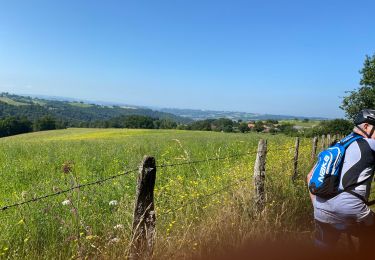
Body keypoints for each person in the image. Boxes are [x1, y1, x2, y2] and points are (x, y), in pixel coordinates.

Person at [307, 109, 375, 254]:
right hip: (350, 209)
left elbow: (309, 176)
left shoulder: (338, 145)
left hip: (320, 209)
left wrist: (317, 206)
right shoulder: (369, 144)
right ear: (366, 127)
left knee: (322, 251)